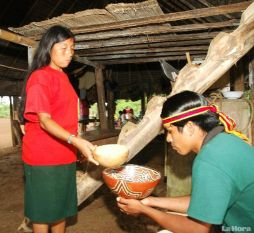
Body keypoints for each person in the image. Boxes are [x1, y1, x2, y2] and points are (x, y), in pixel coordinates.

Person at [116, 91, 254, 233]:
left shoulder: (209, 160)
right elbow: (204, 202)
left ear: (189, 127)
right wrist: (150, 202)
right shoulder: (225, 139)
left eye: (170, 131)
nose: (168, 139)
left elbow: (198, 229)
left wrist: (144, 210)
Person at [19, 25, 99, 233]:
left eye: (72, 48)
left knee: (60, 208)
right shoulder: (40, 77)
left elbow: (64, 118)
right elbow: (45, 121)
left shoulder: (63, 76)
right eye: (63, 48)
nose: (69, 54)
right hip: (43, 157)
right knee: (44, 211)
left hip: (63, 153)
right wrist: (77, 141)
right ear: (48, 48)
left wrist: (75, 146)